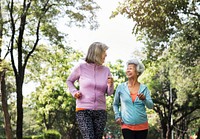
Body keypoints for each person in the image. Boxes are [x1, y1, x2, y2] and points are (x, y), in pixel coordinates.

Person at [66, 42, 114, 139]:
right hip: (84, 110)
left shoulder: (106, 70)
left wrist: (111, 84)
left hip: (101, 111)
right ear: (97, 53)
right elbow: (69, 81)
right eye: (104, 52)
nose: (106, 55)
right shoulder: (81, 67)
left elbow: (109, 92)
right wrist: (74, 92)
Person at [113, 58, 154, 139]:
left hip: (142, 125)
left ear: (137, 72)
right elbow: (115, 104)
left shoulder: (144, 88)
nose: (128, 70)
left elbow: (151, 106)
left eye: (130, 69)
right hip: (126, 125)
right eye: (127, 69)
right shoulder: (121, 87)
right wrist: (117, 116)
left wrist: (144, 99)